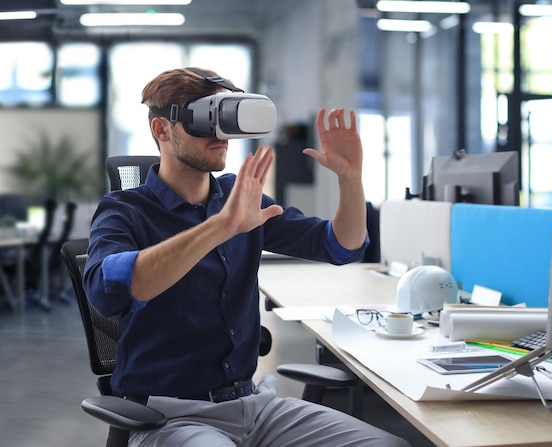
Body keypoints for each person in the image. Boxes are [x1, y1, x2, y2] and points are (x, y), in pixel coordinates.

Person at [83, 67, 410, 447]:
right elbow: (109, 291)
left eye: (225, 120)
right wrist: (221, 227)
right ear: (162, 130)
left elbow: (341, 246)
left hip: (253, 405)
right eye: (207, 119)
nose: (220, 135)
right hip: (168, 416)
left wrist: (350, 179)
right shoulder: (124, 210)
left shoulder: (239, 196)